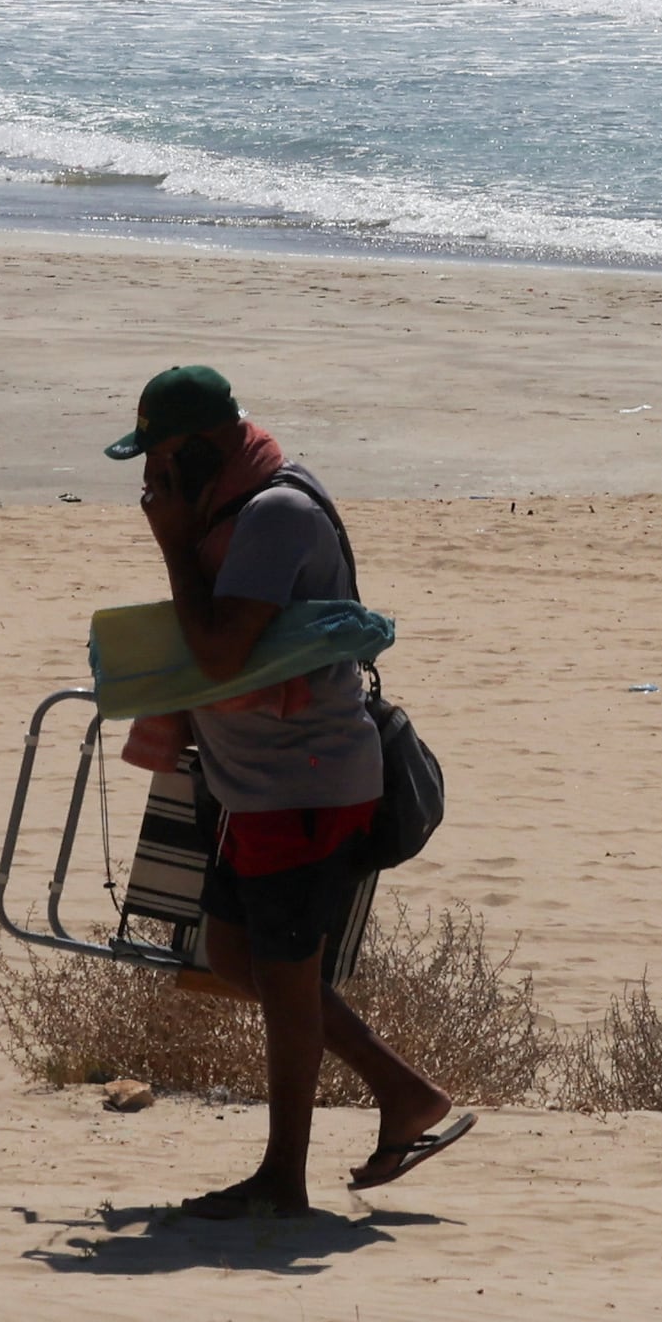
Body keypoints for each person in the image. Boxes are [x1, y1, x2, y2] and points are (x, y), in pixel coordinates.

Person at [112, 362, 467, 1216]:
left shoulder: (273, 516)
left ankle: (284, 1180)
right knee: (242, 960)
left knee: (281, 971)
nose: (151, 484)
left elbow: (223, 652)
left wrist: (168, 545)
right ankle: (402, 1093)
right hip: (259, 786)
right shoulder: (238, 500)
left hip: (302, 788)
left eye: (159, 464)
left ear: (199, 451)